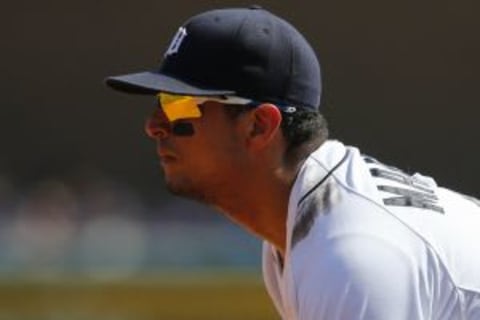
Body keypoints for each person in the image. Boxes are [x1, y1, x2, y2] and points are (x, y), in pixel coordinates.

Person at [105, 5, 480, 320]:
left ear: (259, 126)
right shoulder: (304, 222)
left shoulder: (350, 255)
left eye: (178, 105)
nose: (153, 125)